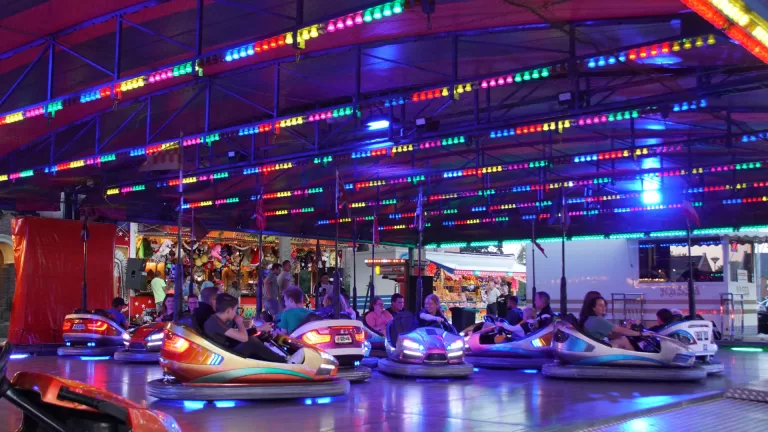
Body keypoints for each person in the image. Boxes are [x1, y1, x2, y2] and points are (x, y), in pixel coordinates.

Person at [204, 293, 295, 363]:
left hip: (228, 351)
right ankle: (284, 362)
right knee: (250, 342)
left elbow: (237, 335)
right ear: (228, 310)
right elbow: (243, 338)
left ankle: (277, 360)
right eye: (235, 310)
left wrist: (258, 329)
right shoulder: (215, 322)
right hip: (228, 357)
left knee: (256, 337)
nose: (236, 313)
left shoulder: (216, 320)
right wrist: (239, 322)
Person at [578, 296, 644, 350]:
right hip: (597, 348)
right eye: (600, 305)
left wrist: (626, 328)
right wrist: (641, 334)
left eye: (604, 305)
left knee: (623, 339)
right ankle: (637, 361)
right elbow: (620, 330)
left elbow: (612, 335)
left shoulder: (591, 318)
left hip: (596, 346)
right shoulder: (597, 320)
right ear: (593, 308)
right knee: (624, 341)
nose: (604, 307)